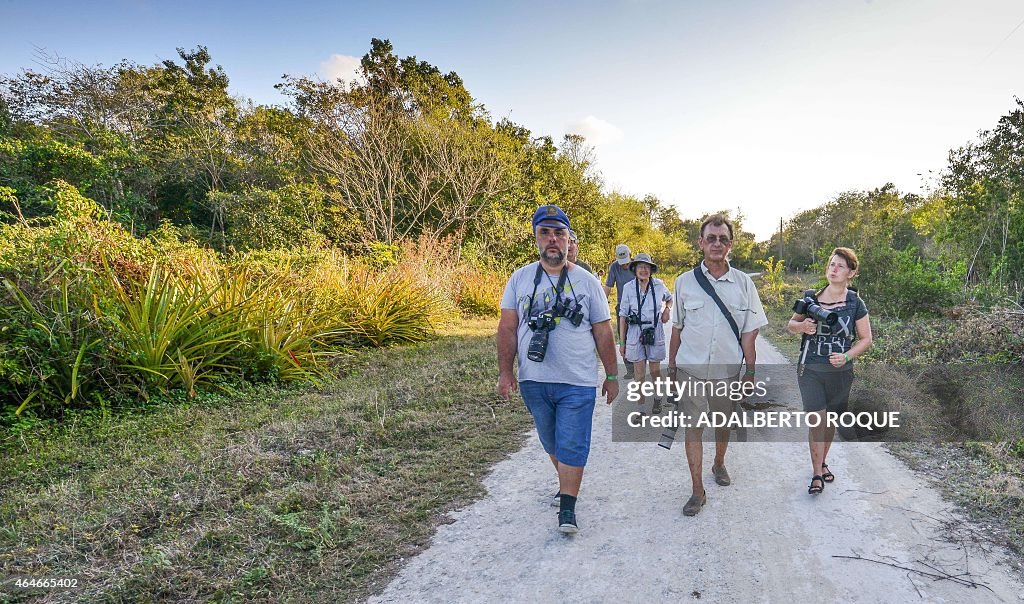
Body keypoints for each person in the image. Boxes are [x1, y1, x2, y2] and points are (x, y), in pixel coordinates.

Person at [497, 204, 619, 534]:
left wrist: (611, 374)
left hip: (576, 380)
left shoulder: (588, 282)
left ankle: (568, 508)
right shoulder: (520, 278)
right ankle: (565, 481)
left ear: (568, 240)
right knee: (551, 442)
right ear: (536, 238)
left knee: (573, 443)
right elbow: (507, 328)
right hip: (534, 380)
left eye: (559, 233)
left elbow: (603, 331)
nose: (553, 239)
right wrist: (506, 372)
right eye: (545, 233)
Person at [668, 214, 767, 516]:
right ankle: (697, 490)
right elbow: (676, 329)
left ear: (730, 245)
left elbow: (751, 332)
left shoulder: (744, 284)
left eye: (722, 238)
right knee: (693, 429)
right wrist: (671, 369)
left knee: (723, 424)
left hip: (727, 373)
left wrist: (750, 371)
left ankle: (719, 462)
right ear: (700, 242)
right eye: (711, 238)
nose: (716, 243)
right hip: (691, 371)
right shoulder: (684, 283)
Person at [786, 247, 873, 495]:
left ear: (851, 273)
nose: (834, 269)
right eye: (832, 264)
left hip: (840, 372)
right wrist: (802, 326)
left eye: (840, 266)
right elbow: (790, 325)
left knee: (831, 420)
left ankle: (822, 462)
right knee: (817, 420)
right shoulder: (810, 298)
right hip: (810, 368)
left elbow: (866, 339)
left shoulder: (855, 302)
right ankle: (816, 474)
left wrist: (846, 356)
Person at [617, 253, 672, 414]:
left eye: (646, 267)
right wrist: (622, 342)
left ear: (651, 269)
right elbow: (622, 316)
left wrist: (667, 310)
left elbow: (669, 299)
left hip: (655, 329)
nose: (643, 270)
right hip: (635, 332)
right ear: (634, 269)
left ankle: (657, 399)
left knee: (655, 371)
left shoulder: (659, 285)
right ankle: (641, 408)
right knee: (639, 373)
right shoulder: (628, 288)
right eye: (640, 267)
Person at [604, 243, 635, 379]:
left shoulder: (637, 265)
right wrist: (602, 303)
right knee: (623, 337)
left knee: (638, 336)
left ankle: (640, 365)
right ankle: (630, 369)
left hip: (637, 306)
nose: (624, 265)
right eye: (622, 262)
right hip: (622, 306)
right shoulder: (614, 267)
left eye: (626, 262)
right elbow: (608, 286)